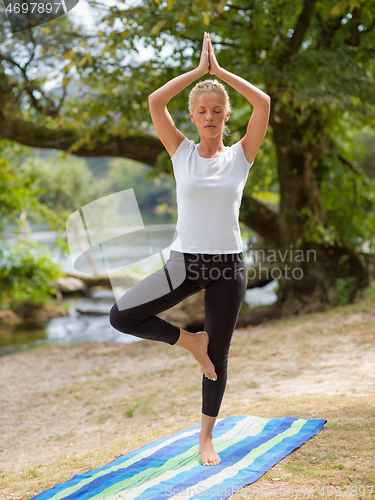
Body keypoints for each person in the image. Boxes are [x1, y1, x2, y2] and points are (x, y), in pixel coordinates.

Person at [109, 31, 270, 466]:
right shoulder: (181, 152)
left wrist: (221, 74)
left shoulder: (241, 156)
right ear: (194, 117)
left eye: (217, 110)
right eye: (202, 111)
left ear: (226, 115)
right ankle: (189, 343)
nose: (210, 116)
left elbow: (264, 104)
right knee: (122, 314)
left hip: (228, 268)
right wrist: (199, 72)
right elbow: (154, 102)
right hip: (184, 264)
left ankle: (205, 438)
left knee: (218, 355)